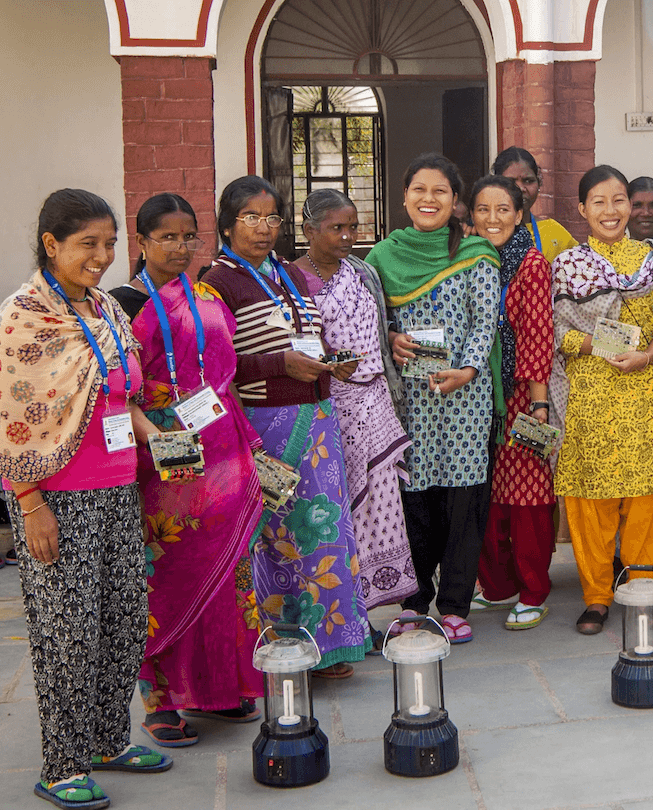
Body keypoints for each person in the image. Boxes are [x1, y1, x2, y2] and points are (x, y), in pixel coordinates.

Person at [0, 189, 170, 809]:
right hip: (57, 497)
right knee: (68, 631)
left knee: (121, 620)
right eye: (88, 244)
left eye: (110, 243)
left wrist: (162, 442)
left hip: (117, 485)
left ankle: (106, 739)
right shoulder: (22, 318)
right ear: (52, 245)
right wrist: (29, 505)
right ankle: (61, 764)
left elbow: (126, 398)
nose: (103, 256)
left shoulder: (103, 309)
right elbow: (5, 415)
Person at [108, 194, 264, 748]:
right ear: (142, 241)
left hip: (220, 453)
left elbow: (225, 377)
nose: (179, 247)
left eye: (188, 236)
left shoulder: (206, 294)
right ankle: (162, 702)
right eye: (167, 237)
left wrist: (248, 444)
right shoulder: (122, 304)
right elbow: (115, 389)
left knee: (226, 575)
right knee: (169, 576)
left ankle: (222, 688)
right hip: (161, 461)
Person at [201, 176, 371, 678]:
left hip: (316, 418)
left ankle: (329, 641)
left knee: (324, 535)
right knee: (279, 538)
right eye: (250, 218)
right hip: (266, 424)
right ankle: (286, 644)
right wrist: (280, 365)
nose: (263, 228)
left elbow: (307, 339)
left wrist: (327, 365)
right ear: (228, 223)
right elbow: (219, 363)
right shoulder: (218, 281)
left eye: (271, 218)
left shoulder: (284, 273)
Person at [366, 154, 498, 645]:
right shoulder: (382, 257)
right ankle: (415, 602)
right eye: (419, 189)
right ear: (403, 197)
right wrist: (393, 335)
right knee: (414, 499)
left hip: (466, 395)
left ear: (455, 200)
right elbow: (373, 322)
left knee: (463, 501)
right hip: (411, 397)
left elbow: (486, 321)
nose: (428, 199)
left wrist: (466, 370)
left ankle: (457, 604)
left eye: (440, 191)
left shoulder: (476, 251)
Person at [549, 164, 653, 635]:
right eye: (599, 201)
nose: (611, 210)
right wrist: (593, 346)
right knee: (590, 504)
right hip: (591, 398)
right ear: (582, 209)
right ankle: (597, 596)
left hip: (645, 395)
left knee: (647, 499)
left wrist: (648, 354)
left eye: (619, 199)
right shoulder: (566, 265)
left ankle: (644, 588)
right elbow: (555, 331)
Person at [288, 189, 416, 613]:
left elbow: (380, 327)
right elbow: (290, 343)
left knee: (382, 502)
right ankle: (345, 610)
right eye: (336, 228)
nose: (347, 236)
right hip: (328, 406)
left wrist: (392, 340)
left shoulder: (361, 272)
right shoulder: (290, 279)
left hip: (375, 399)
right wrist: (326, 365)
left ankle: (377, 602)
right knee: (338, 502)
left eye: (352, 227)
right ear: (309, 230)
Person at [465, 175, 557, 630]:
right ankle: (498, 587)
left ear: (519, 215)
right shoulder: (469, 260)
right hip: (477, 395)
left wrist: (538, 407)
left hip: (521, 397)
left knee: (526, 500)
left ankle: (533, 589)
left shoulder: (531, 264)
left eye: (503, 209)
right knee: (489, 498)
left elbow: (538, 338)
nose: (493, 218)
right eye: (484, 209)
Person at [494, 146, 576, 261]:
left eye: (528, 181)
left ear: (539, 182)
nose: (521, 188)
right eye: (511, 182)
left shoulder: (554, 233)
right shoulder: (484, 231)